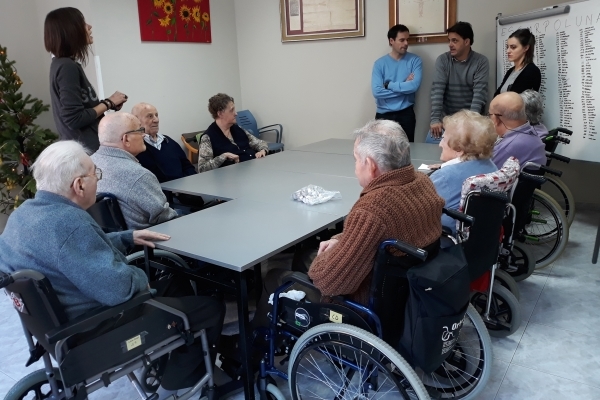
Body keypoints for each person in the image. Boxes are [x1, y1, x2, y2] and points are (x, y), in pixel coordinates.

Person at [0, 141, 225, 393]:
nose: (98, 179)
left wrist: (127, 237)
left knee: (175, 283)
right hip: (96, 327)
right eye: (95, 173)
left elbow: (67, 251)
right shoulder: (70, 223)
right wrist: (141, 280)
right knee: (209, 308)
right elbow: (120, 289)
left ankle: (171, 350)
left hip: (55, 329)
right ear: (79, 185)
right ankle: (179, 377)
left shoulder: (24, 215)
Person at [255, 120, 444, 327]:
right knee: (303, 256)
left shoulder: (373, 208)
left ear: (370, 165)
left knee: (275, 277)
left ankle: (258, 347)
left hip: (366, 305)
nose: (355, 168)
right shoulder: (422, 182)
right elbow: (380, 233)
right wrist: (340, 239)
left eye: (356, 160)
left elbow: (330, 282)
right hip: (407, 292)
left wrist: (326, 260)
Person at [44, 7, 127, 152]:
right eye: (83, 23)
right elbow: (74, 119)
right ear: (70, 30)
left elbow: (80, 110)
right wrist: (108, 103)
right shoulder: (66, 67)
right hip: (88, 151)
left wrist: (107, 104)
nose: (89, 27)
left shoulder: (63, 64)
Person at [91, 112, 178, 229]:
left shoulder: (87, 166)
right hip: (149, 241)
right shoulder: (138, 175)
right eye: (140, 131)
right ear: (126, 139)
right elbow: (166, 218)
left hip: (109, 241)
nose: (144, 135)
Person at [429, 110, 498, 232]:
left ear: (459, 148)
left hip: (444, 236)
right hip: (480, 234)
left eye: (444, 139)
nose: (440, 144)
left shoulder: (444, 176)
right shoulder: (491, 166)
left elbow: (418, 212)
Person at [132, 102, 205, 209]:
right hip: (162, 201)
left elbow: (187, 166)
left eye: (156, 115)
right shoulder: (136, 148)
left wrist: (186, 185)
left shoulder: (168, 141)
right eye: (150, 116)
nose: (156, 120)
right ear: (136, 120)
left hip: (187, 194)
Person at [430, 22, 489, 139]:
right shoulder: (443, 60)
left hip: (471, 122)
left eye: (455, 41)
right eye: (449, 40)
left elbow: (479, 95)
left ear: (466, 42)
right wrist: (435, 119)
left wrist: (469, 123)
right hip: (447, 121)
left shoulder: (481, 61)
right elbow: (437, 92)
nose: (450, 44)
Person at [371, 24, 423, 142]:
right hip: (383, 115)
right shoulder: (379, 64)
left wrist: (389, 85)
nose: (406, 43)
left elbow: (414, 86)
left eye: (407, 39)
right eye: (402, 40)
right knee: (382, 153)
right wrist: (404, 86)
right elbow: (377, 92)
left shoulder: (415, 60)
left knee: (407, 151)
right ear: (391, 41)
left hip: (406, 114)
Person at [198, 93, 269, 173]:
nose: (236, 113)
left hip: (253, 170)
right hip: (232, 178)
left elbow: (260, 143)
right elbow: (202, 169)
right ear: (220, 114)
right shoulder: (208, 137)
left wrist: (263, 150)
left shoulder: (238, 128)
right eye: (232, 110)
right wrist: (223, 157)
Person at [490, 92, 546, 168]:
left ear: (496, 119)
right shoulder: (530, 130)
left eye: (489, 115)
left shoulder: (508, 147)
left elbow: (482, 175)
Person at [494, 29, 541, 96]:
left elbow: (522, 100)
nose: (508, 51)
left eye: (513, 47)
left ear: (526, 48)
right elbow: (497, 94)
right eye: (507, 47)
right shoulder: (510, 71)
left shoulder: (532, 71)